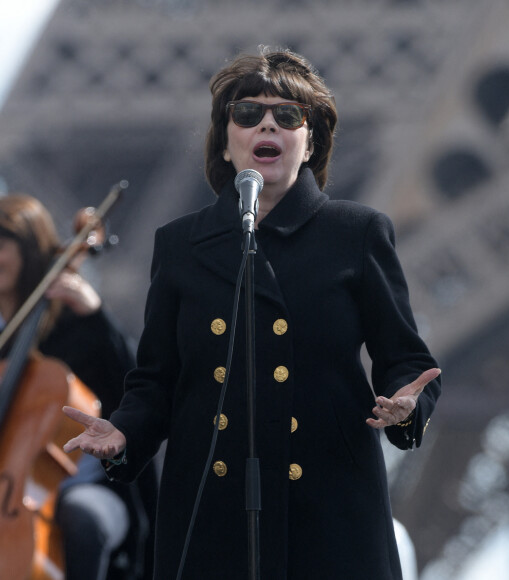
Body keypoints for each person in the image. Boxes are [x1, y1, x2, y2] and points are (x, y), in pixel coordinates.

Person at [63, 47, 442, 579]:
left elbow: (404, 356)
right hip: (210, 514)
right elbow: (156, 380)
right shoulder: (180, 244)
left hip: (328, 510)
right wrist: (124, 432)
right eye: (247, 113)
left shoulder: (356, 233)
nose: (268, 122)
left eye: (288, 115)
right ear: (224, 139)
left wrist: (408, 402)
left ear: (311, 142)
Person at [0, 194, 156, 580]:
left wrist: (96, 316)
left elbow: (137, 387)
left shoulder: (76, 328)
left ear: (31, 250)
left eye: (2, 243)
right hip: (10, 491)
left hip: (84, 485)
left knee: (82, 517)